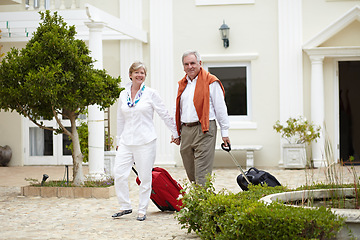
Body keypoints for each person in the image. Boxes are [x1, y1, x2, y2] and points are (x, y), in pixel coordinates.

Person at [112, 61, 179, 221]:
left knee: (145, 177)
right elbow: (120, 119)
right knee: (119, 173)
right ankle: (125, 206)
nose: (140, 75)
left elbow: (164, 113)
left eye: (142, 73)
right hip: (127, 141)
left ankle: (142, 209)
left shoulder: (151, 93)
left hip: (145, 141)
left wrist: (175, 132)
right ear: (130, 75)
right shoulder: (123, 94)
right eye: (137, 72)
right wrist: (118, 139)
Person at [174, 50, 230, 186]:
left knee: (202, 171)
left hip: (204, 128)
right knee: (190, 169)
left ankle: (202, 199)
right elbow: (179, 110)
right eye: (186, 64)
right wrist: (176, 132)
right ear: (183, 66)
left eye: (193, 63)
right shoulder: (183, 84)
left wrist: (225, 132)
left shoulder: (211, 81)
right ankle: (203, 197)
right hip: (186, 129)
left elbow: (220, 108)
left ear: (200, 63)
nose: (190, 66)